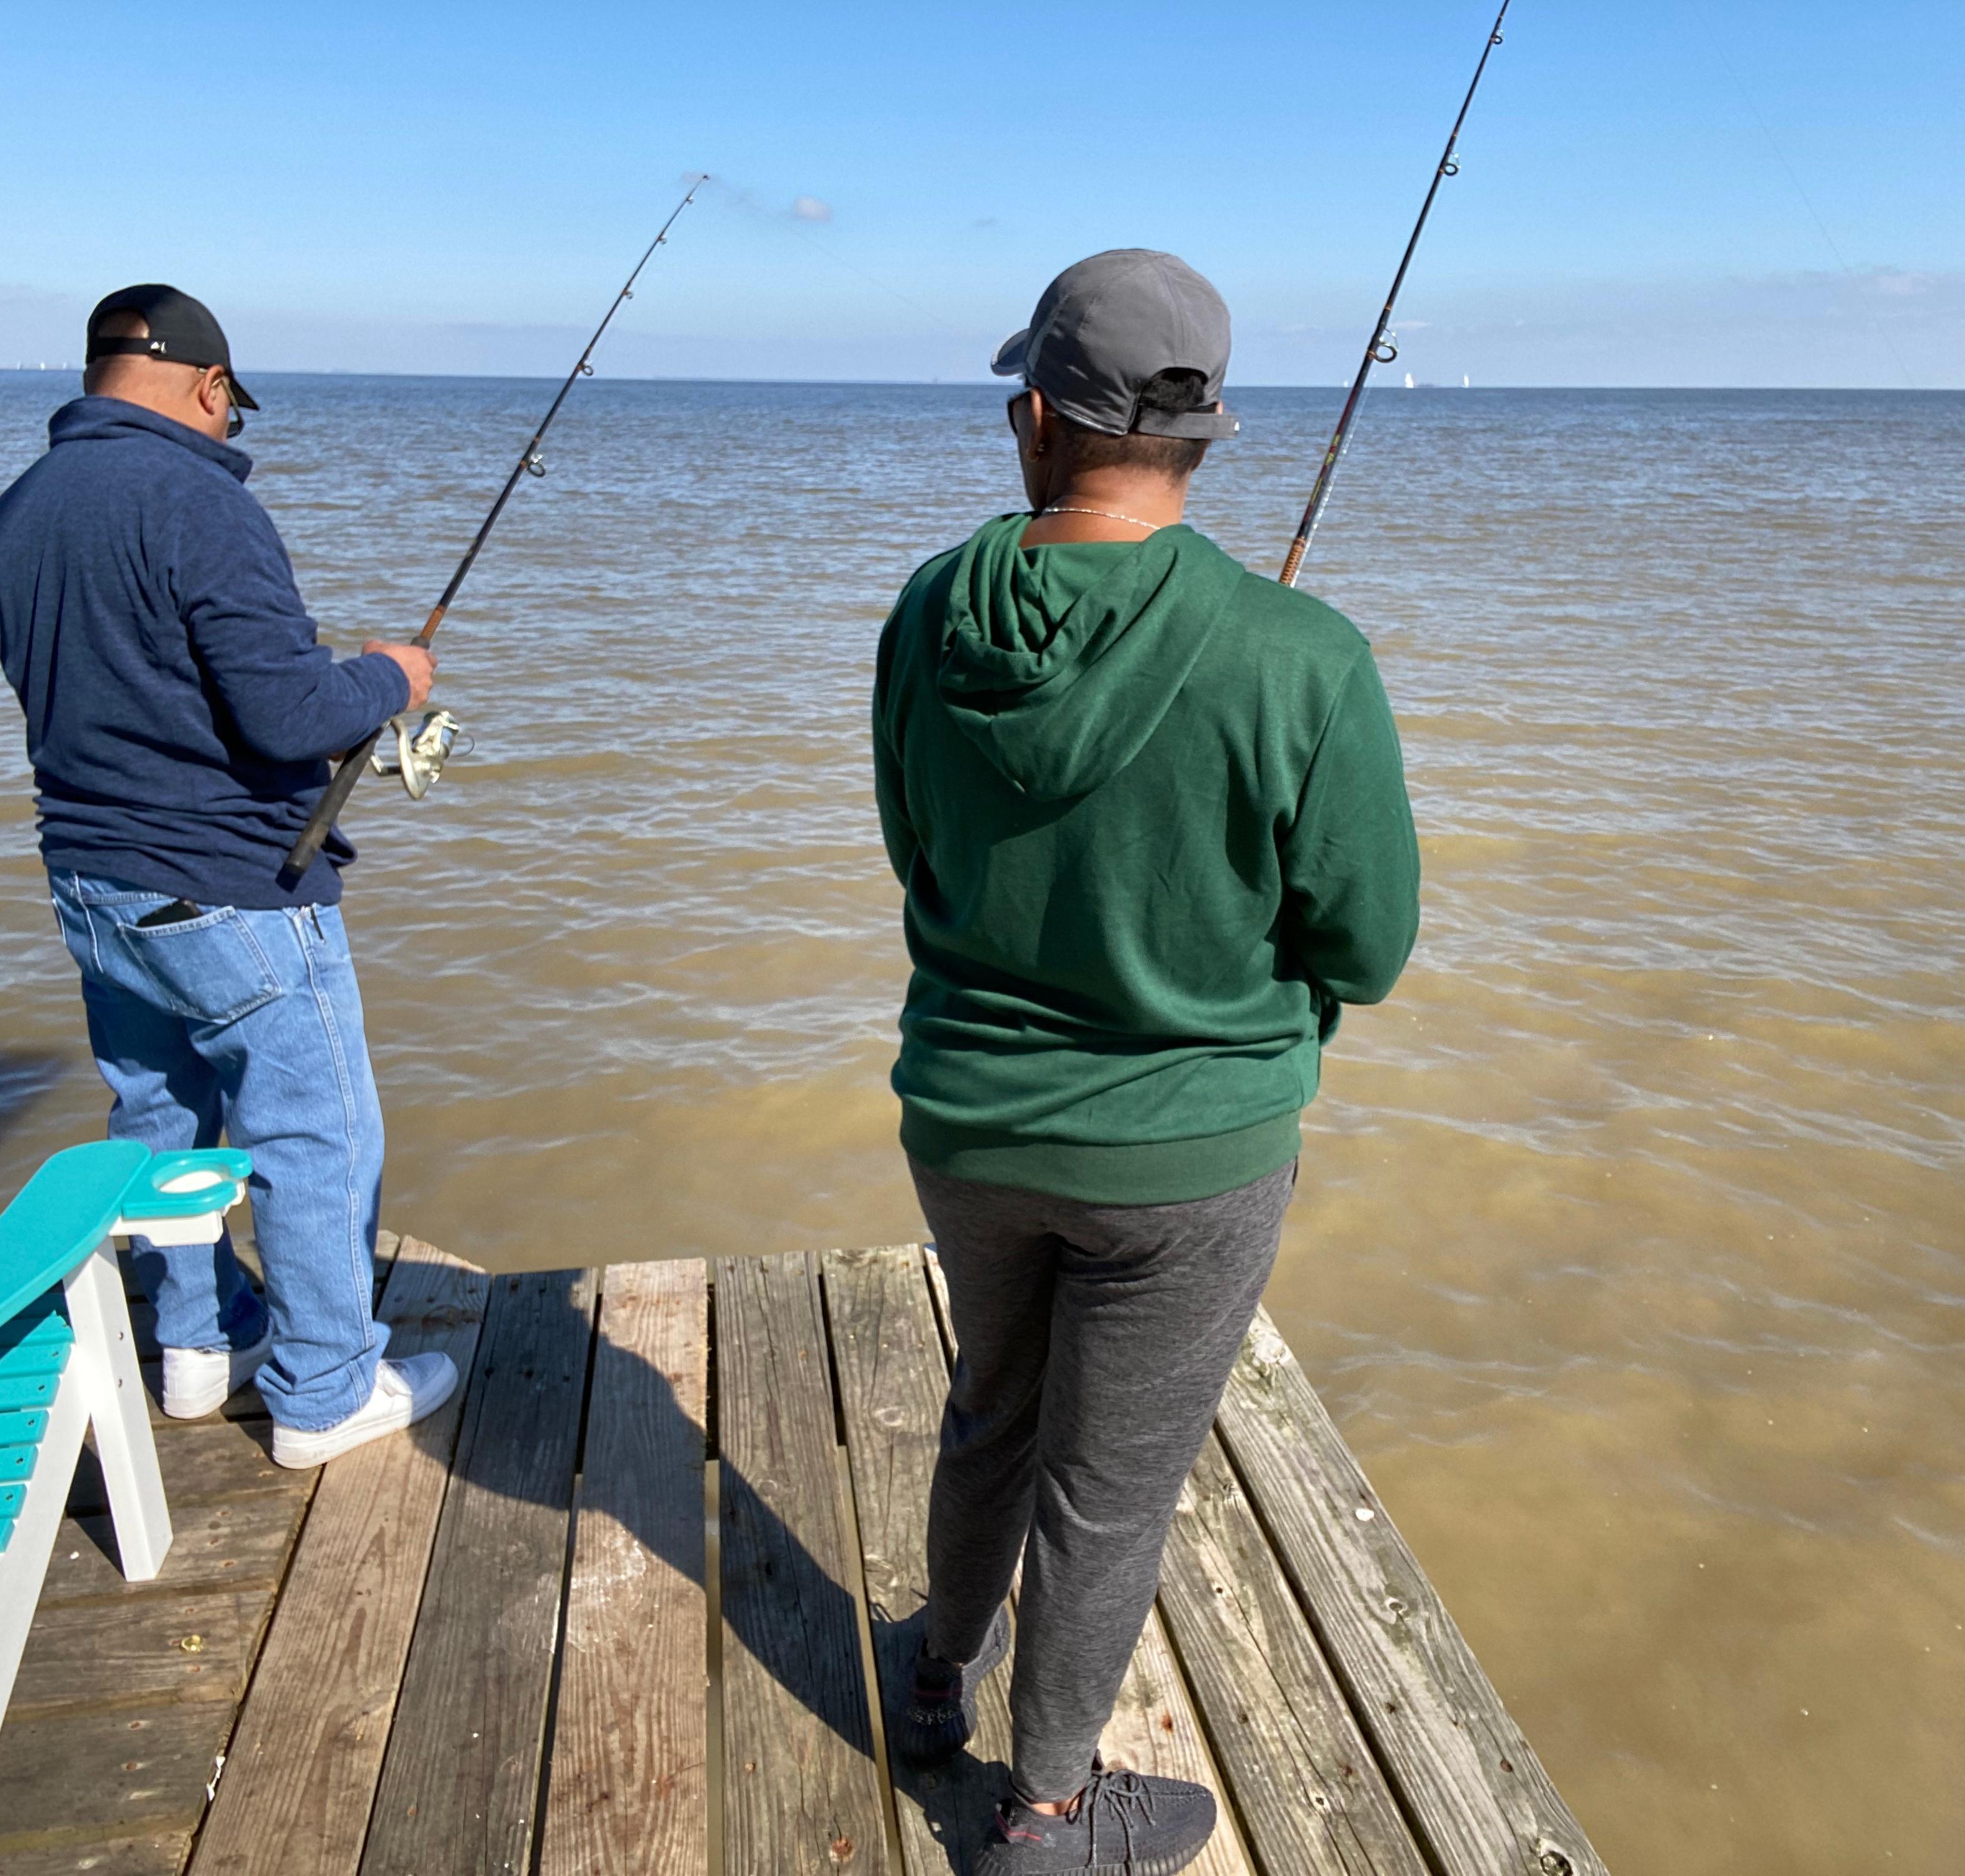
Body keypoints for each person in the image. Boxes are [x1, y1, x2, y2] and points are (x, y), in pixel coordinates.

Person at [871, 250, 1421, 1872]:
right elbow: (1369, 949)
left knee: (995, 1412)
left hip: (966, 1129)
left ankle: (930, 1682)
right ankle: (1046, 1815)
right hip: (1192, 1159)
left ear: (1037, 418)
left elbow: (920, 857)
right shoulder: (1301, 656)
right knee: (1107, 1495)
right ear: (1203, 435)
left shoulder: (928, 611)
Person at [0, 284, 455, 1469]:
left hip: (91, 884)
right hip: (229, 891)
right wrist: (393, 677)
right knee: (315, 1136)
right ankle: (325, 1391)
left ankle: (200, 1348)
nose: (230, 431)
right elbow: (290, 711)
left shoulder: (18, 512)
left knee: (156, 1119)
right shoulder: (201, 502)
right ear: (207, 388)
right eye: (232, 411)